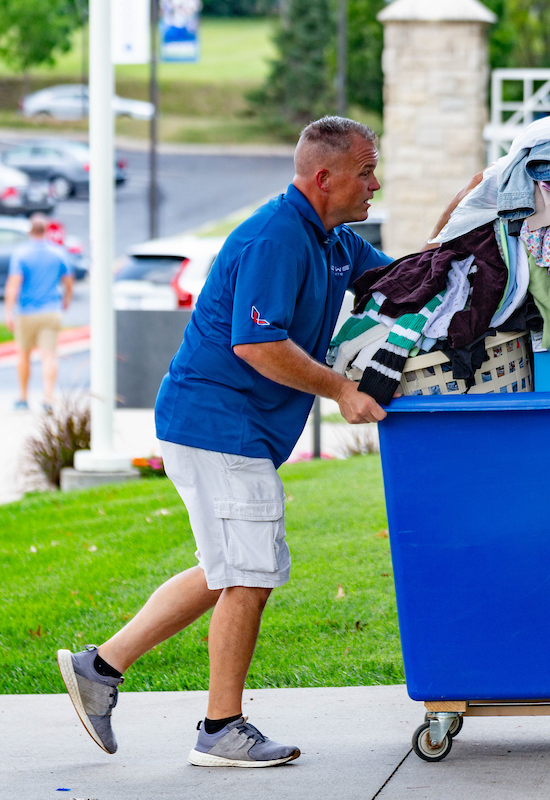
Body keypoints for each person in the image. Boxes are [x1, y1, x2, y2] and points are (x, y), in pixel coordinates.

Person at [55, 116, 473, 768]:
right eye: (366, 171)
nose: (375, 183)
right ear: (324, 176)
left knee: (228, 568)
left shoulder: (333, 240)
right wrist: (340, 389)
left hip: (229, 428)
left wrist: (462, 217)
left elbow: (404, 280)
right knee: (250, 570)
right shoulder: (277, 238)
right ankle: (220, 729)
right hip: (217, 424)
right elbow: (256, 343)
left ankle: (99, 668)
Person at [4, 214, 73, 411]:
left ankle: (23, 397)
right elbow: (68, 281)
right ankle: (48, 397)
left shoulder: (21, 254)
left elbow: (13, 284)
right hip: (51, 310)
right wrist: (66, 299)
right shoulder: (58, 253)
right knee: (49, 355)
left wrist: (8, 311)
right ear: (46, 231)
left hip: (26, 312)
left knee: (23, 355)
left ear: (29, 231)